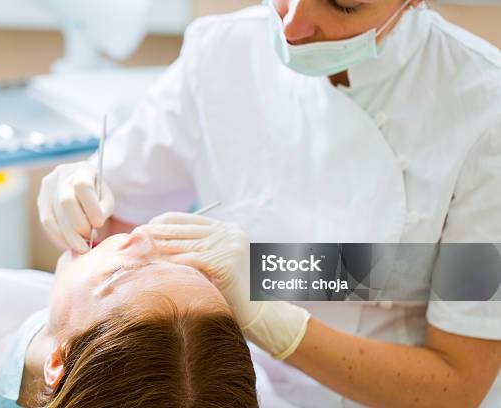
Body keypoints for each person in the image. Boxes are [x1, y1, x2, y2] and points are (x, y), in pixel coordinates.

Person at [37, 0, 501, 405]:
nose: (293, 27)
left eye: (343, 5)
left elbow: (456, 384)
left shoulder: (482, 112)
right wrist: (77, 193)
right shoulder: (224, 52)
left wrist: (272, 315)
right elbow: (113, 211)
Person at [0, 228, 258, 407]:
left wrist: (286, 321)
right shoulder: (196, 368)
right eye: (195, 271)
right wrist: (266, 273)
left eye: (117, 276)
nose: (143, 235)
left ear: (57, 361)